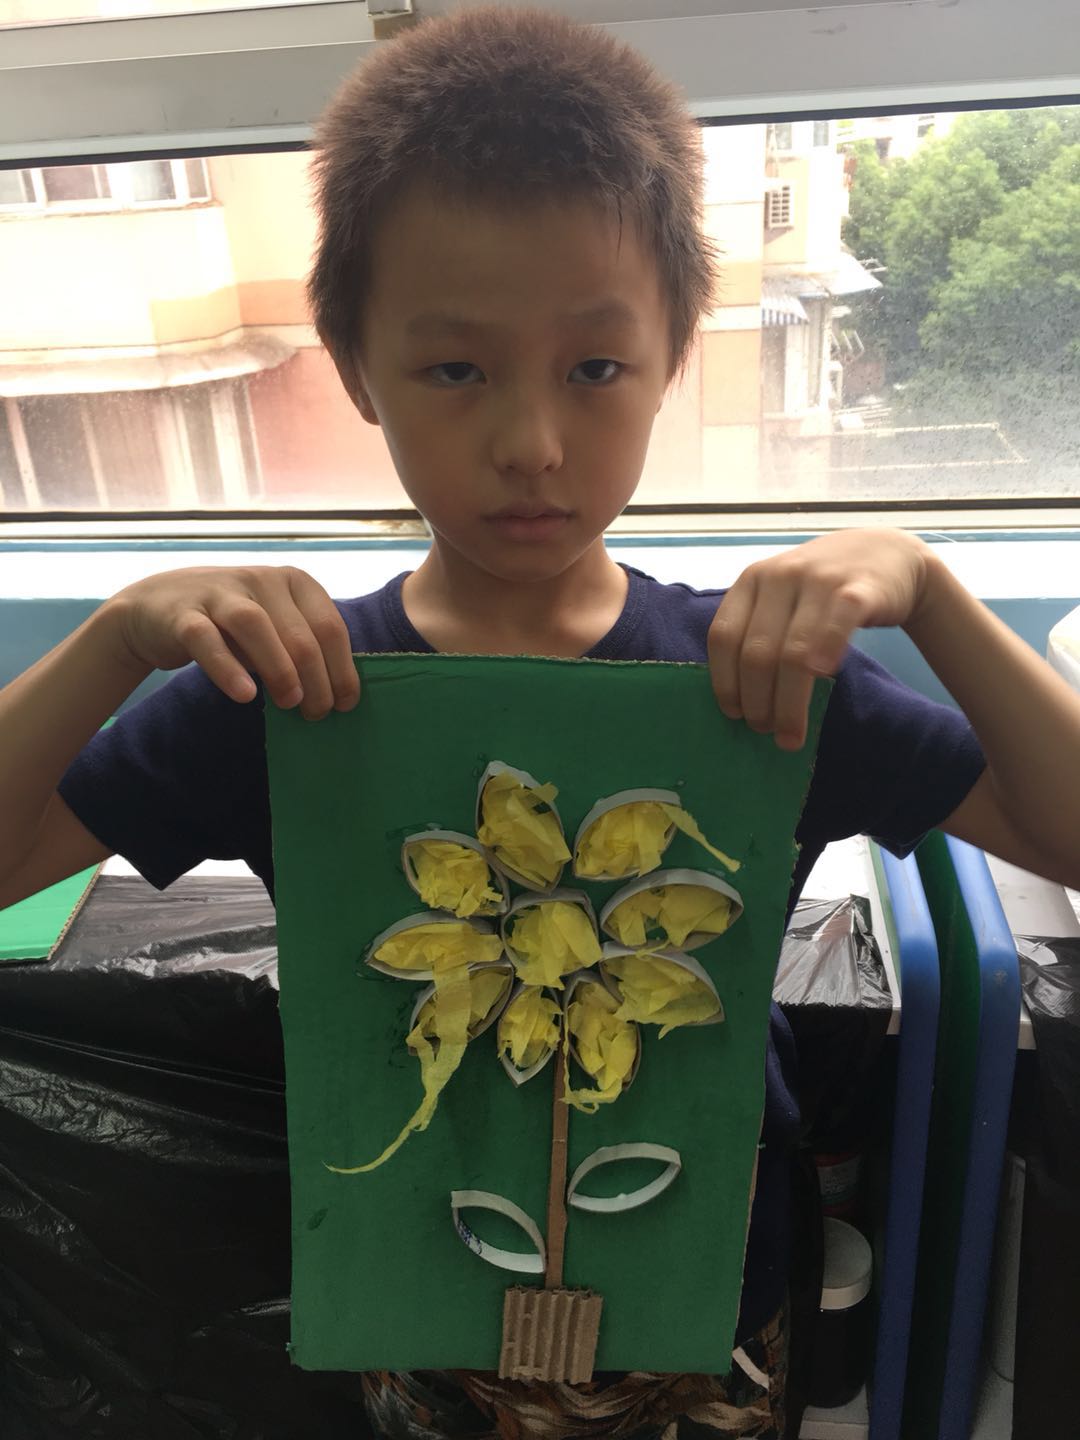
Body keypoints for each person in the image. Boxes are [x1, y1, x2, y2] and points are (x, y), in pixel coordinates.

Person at [1, 7, 1078, 1437]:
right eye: (456, 369)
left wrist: (931, 592)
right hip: (418, 1298)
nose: (532, 444)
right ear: (356, 368)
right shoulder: (292, 689)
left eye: (594, 368)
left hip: (707, 1305)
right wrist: (114, 636)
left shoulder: (754, 675)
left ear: (673, 356)